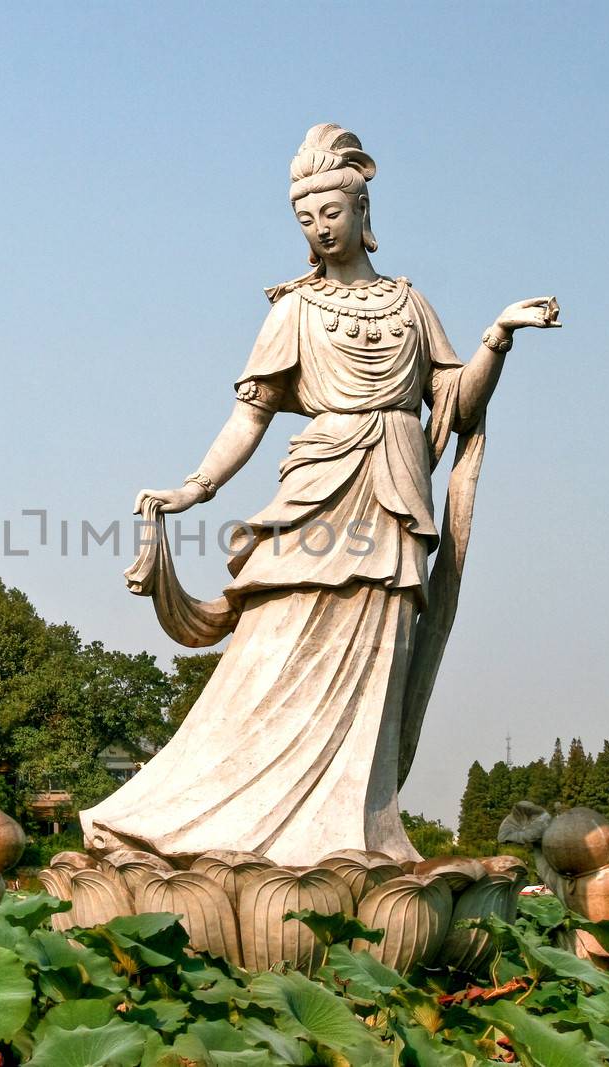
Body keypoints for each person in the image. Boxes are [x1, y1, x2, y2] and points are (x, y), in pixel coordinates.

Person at [81, 124, 558, 866]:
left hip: (394, 491)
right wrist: (196, 486)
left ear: (363, 210)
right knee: (274, 649)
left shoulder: (409, 304)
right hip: (316, 492)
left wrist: (497, 336)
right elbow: (250, 415)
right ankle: (207, 816)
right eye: (305, 219)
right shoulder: (295, 310)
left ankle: (348, 829)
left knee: (376, 661)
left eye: (330, 213)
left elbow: (454, 404)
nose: (319, 229)